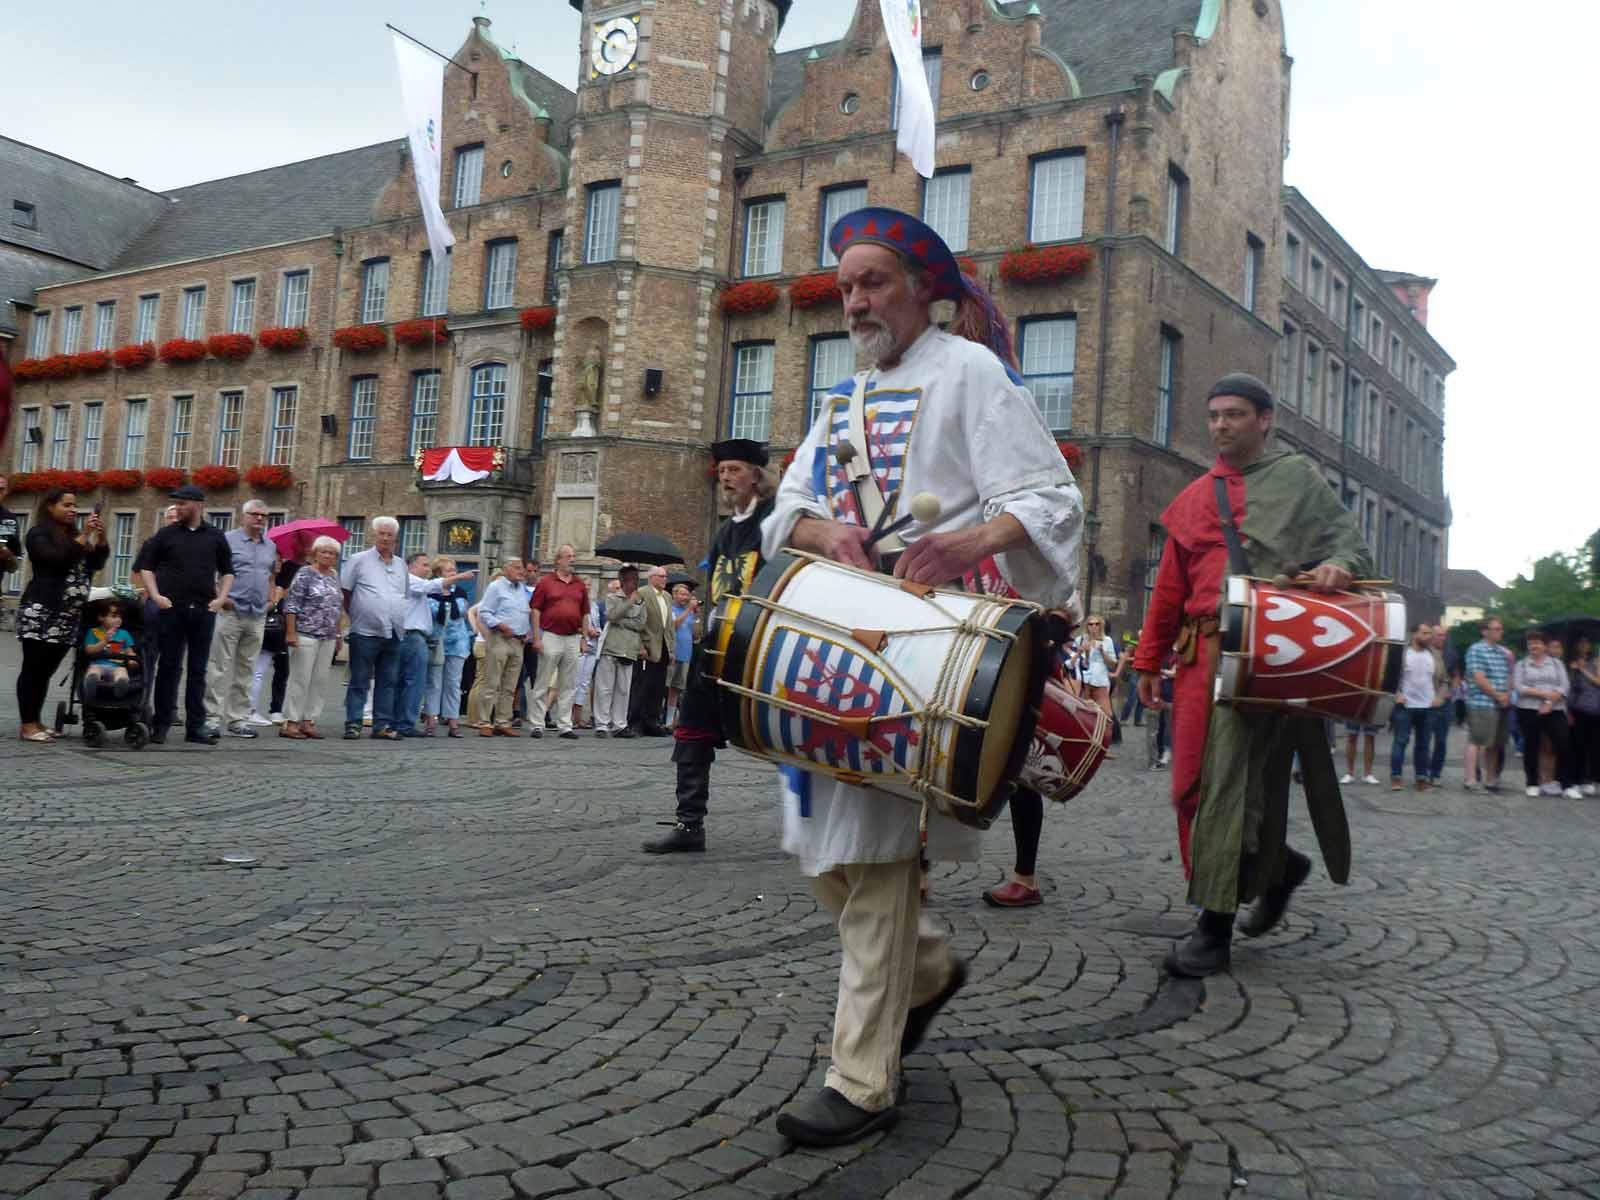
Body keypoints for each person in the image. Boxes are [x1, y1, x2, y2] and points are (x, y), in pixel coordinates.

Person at [763, 206, 1082, 1146]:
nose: (855, 300)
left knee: (871, 852)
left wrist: (970, 540)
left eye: (874, 282)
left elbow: (1049, 496)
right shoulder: (843, 396)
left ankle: (862, 1077)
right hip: (838, 641)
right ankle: (929, 966)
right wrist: (827, 531)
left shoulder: (971, 373)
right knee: (816, 838)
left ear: (923, 291)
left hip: (931, 648)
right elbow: (790, 508)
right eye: (847, 285)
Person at [1134, 372, 1373, 979]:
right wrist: (1147, 658)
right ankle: (1278, 868)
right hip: (1198, 658)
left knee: (1230, 783)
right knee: (1189, 787)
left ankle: (1212, 929)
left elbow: (1352, 547)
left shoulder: (1299, 482)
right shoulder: (1192, 498)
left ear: (1265, 420)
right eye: (1214, 415)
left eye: (1235, 415)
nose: (1221, 426)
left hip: (1268, 653)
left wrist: (1337, 569)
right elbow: (1170, 588)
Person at [644, 438, 775, 854]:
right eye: (721, 471)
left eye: (734, 469)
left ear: (757, 475)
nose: (725, 477)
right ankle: (689, 825)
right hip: (720, 645)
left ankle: (823, 828)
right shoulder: (725, 532)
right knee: (692, 729)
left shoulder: (776, 522)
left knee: (798, 736)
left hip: (766, 647)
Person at [135, 485, 233, 746]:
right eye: (176, 504)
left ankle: (195, 727)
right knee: (168, 667)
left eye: (183, 504)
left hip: (203, 610)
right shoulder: (166, 534)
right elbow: (146, 567)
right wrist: (155, 595)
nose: (178, 508)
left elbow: (228, 570)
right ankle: (162, 724)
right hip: (172, 609)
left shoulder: (215, 536)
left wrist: (221, 598)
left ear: (198, 504)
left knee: (198, 670)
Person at [15, 489, 109, 741]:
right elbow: (56, 561)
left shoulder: (75, 535)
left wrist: (100, 538)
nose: (72, 509)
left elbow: (95, 563)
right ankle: (27, 725)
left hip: (68, 614)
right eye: (66, 505)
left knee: (46, 670)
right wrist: (84, 536)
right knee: (33, 669)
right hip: (42, 610)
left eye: (74, 505)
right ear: (49, 507)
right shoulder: (38, 534)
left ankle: (36, 720)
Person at [202, 499, 276, 739]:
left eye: (263, 515)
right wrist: (220, 597)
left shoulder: (270, 546)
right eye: (254, 514)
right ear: (244, 516)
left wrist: (270, 601)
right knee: (219, 666)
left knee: (247, 668)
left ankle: (238, 718)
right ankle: (212, 718)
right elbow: (212, 572)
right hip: (231, 611)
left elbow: (271, 575)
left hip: (257, 614)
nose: (259, 519)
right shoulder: (228, 540)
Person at [528, 543, 595, 740]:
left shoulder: (579, 584)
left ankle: (565, 725)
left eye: (573, 556)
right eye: (568, 556)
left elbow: (585, 613)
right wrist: (537, 637)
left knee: (569, 683)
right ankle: (537, 724)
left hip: (573, 638)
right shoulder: (546, 582)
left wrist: (584, 639)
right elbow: (535, 610)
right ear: (558, 560)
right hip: (551, 636)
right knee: (543, 681)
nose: (572, 559)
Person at [279, 536, 344, 739]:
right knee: (300, 678)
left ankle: (309, 720)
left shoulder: (334, 575)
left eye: (331, 553)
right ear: (315, 553)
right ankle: (291, 722)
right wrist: (290, 632)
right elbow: (291, 605)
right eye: (323, 551)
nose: (327, 555)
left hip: (328, 635)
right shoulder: (305, 573)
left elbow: (337, 606)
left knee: (320, 680)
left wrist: (339, 632)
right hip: (305, 633)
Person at [1513, 630, 1580, 799]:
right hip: (1528, 709)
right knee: (1531, 746)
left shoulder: (1556, 664)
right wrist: (1544, 695)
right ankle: (1532, 783)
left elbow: (1564, 686)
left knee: (1564, 744)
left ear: (1545, 646)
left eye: (1537, 643)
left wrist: (1550, 703)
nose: (1534, 646)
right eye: (1531, 643)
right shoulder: (1522, 665)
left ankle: (1567, 785)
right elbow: (1520, 687)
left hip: (1555, 709)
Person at [473, 557, 531, 736]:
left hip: (518, 641)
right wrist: (499, 625)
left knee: (510, 685)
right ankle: (484, 722)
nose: (521, 571)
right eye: (516, 567)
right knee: (492, 682)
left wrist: (527, 631)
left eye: (522, 567)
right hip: (500, 638)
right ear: (506, 569)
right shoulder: (496, 587)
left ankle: (502, 721)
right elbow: (484, 612)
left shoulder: (522, 589)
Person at [594, 565, 648, 736]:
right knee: (604, 688)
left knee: (623, 690)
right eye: (633, 579)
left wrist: (623, 621)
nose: (636, 583)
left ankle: (619, 724)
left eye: (637, 580)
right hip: (611, 647)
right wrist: (629, 603)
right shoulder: (613, 597)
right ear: (624, 581)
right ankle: (601, 724)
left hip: (629, 649)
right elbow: (611, 616)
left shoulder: (641, 601)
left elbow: (640, 624)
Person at [1389, 622, 1444, 792]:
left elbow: (1445, 680)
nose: (1429, 637)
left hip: (1428, 706)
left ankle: (1421, 779)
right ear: (1414, 635)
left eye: (1430, 633)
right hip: (1405, 706)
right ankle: (1396, 778)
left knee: (1423, 744)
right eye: (1425, 633)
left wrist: (1440, 697)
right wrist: (1396, 695)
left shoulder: (1435, 655)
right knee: (1400, 741)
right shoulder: (1402, 654)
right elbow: (1389, 677)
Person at [423, 555, 473, 737]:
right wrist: (445, 601)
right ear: (439, 574)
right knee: (434, 683)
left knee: (453, 683)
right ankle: (431, 719)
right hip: (437, 642)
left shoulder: (459, 591)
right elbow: (434, 612)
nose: (454, 574)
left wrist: (446, 601)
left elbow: (460, 611)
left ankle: (453, 720)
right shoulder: (429, 592)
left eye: (455, 570)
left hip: (457, 642)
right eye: (449, 571)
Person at [1463, 617, 1513, 793]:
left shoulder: (1503, 652)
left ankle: (1490, 780)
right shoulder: (1476, 650)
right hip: (1482, 702)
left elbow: (1508, 675)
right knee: (1477, 740)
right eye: (1496, 628)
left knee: (1496, 744)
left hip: (1501, 703)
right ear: (1485, 631)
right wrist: (1497, 695)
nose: (1500, 631)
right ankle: (1471, 780)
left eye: (1501, 628)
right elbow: (1479, 677)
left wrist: (1507, 694)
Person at [628, 564, 673, 736]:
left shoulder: (667, 597)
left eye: (665, 576)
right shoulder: (642, 593)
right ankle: (636, 722)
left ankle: (652, 721)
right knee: (642, 686)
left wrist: (672, 648)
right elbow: (636, 621)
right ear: (652, 577)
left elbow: (669, 626)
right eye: (661, 576)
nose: (665, 579)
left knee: (658, 687)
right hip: (647, 647)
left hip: (663, 647)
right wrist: (639, 645)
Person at [1426, 624, 1460, 785]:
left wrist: (1452, 692)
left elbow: (1456, 676)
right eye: (1438, 635)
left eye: (1444, 635)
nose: (1441, 638)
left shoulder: (1451, 655)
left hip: (1445, 701)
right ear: (1431, 635)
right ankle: (1423, 771)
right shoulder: (1424, 652)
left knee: (1441, 739)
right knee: (1423, 738)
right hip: (1426, 700)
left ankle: (1436, 772)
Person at [83, 601, 138, 695]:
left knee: (121, 673)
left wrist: (132, 660)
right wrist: (104, 641)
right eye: (114, 616)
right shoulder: (93, 632)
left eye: (120, 617)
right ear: (101, 617)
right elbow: (89, 650)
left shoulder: (124, 634)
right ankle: (91, 684)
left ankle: (121, 686)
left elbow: (129, 651)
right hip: (98, 663)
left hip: (117, 665)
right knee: (94, 671)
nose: (118, 619)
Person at [1568, 635, 1600, 796]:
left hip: (1596, 709)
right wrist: (1574, 670)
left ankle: (1591, 779)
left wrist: (1583, 669)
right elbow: (1570, 687)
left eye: (1587, 642)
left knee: (1595, 748)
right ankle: (1577, 780)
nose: (1584, 645)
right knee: (1578, 746)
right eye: (1580, 642)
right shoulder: (1571, 663)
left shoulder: (1596, 661)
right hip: (1579, 710)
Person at [664, 581, 696, 727]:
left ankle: (670, 720)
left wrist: (696, 615)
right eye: (682, 594)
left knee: (676, 688)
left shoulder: (689, 612)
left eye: (687, 594)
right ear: (674, 595)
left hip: (686, 653)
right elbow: (673, 625)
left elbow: (696, 634)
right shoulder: (671, 609)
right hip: (673, 653)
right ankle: (660, 716)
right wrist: (688, 610)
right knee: (667, 685)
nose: (685, 597)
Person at [0, 474, 22, 587]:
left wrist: (8, 555)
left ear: (6, 492)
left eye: (1, 489)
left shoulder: (9, 519)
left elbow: (14, 566)